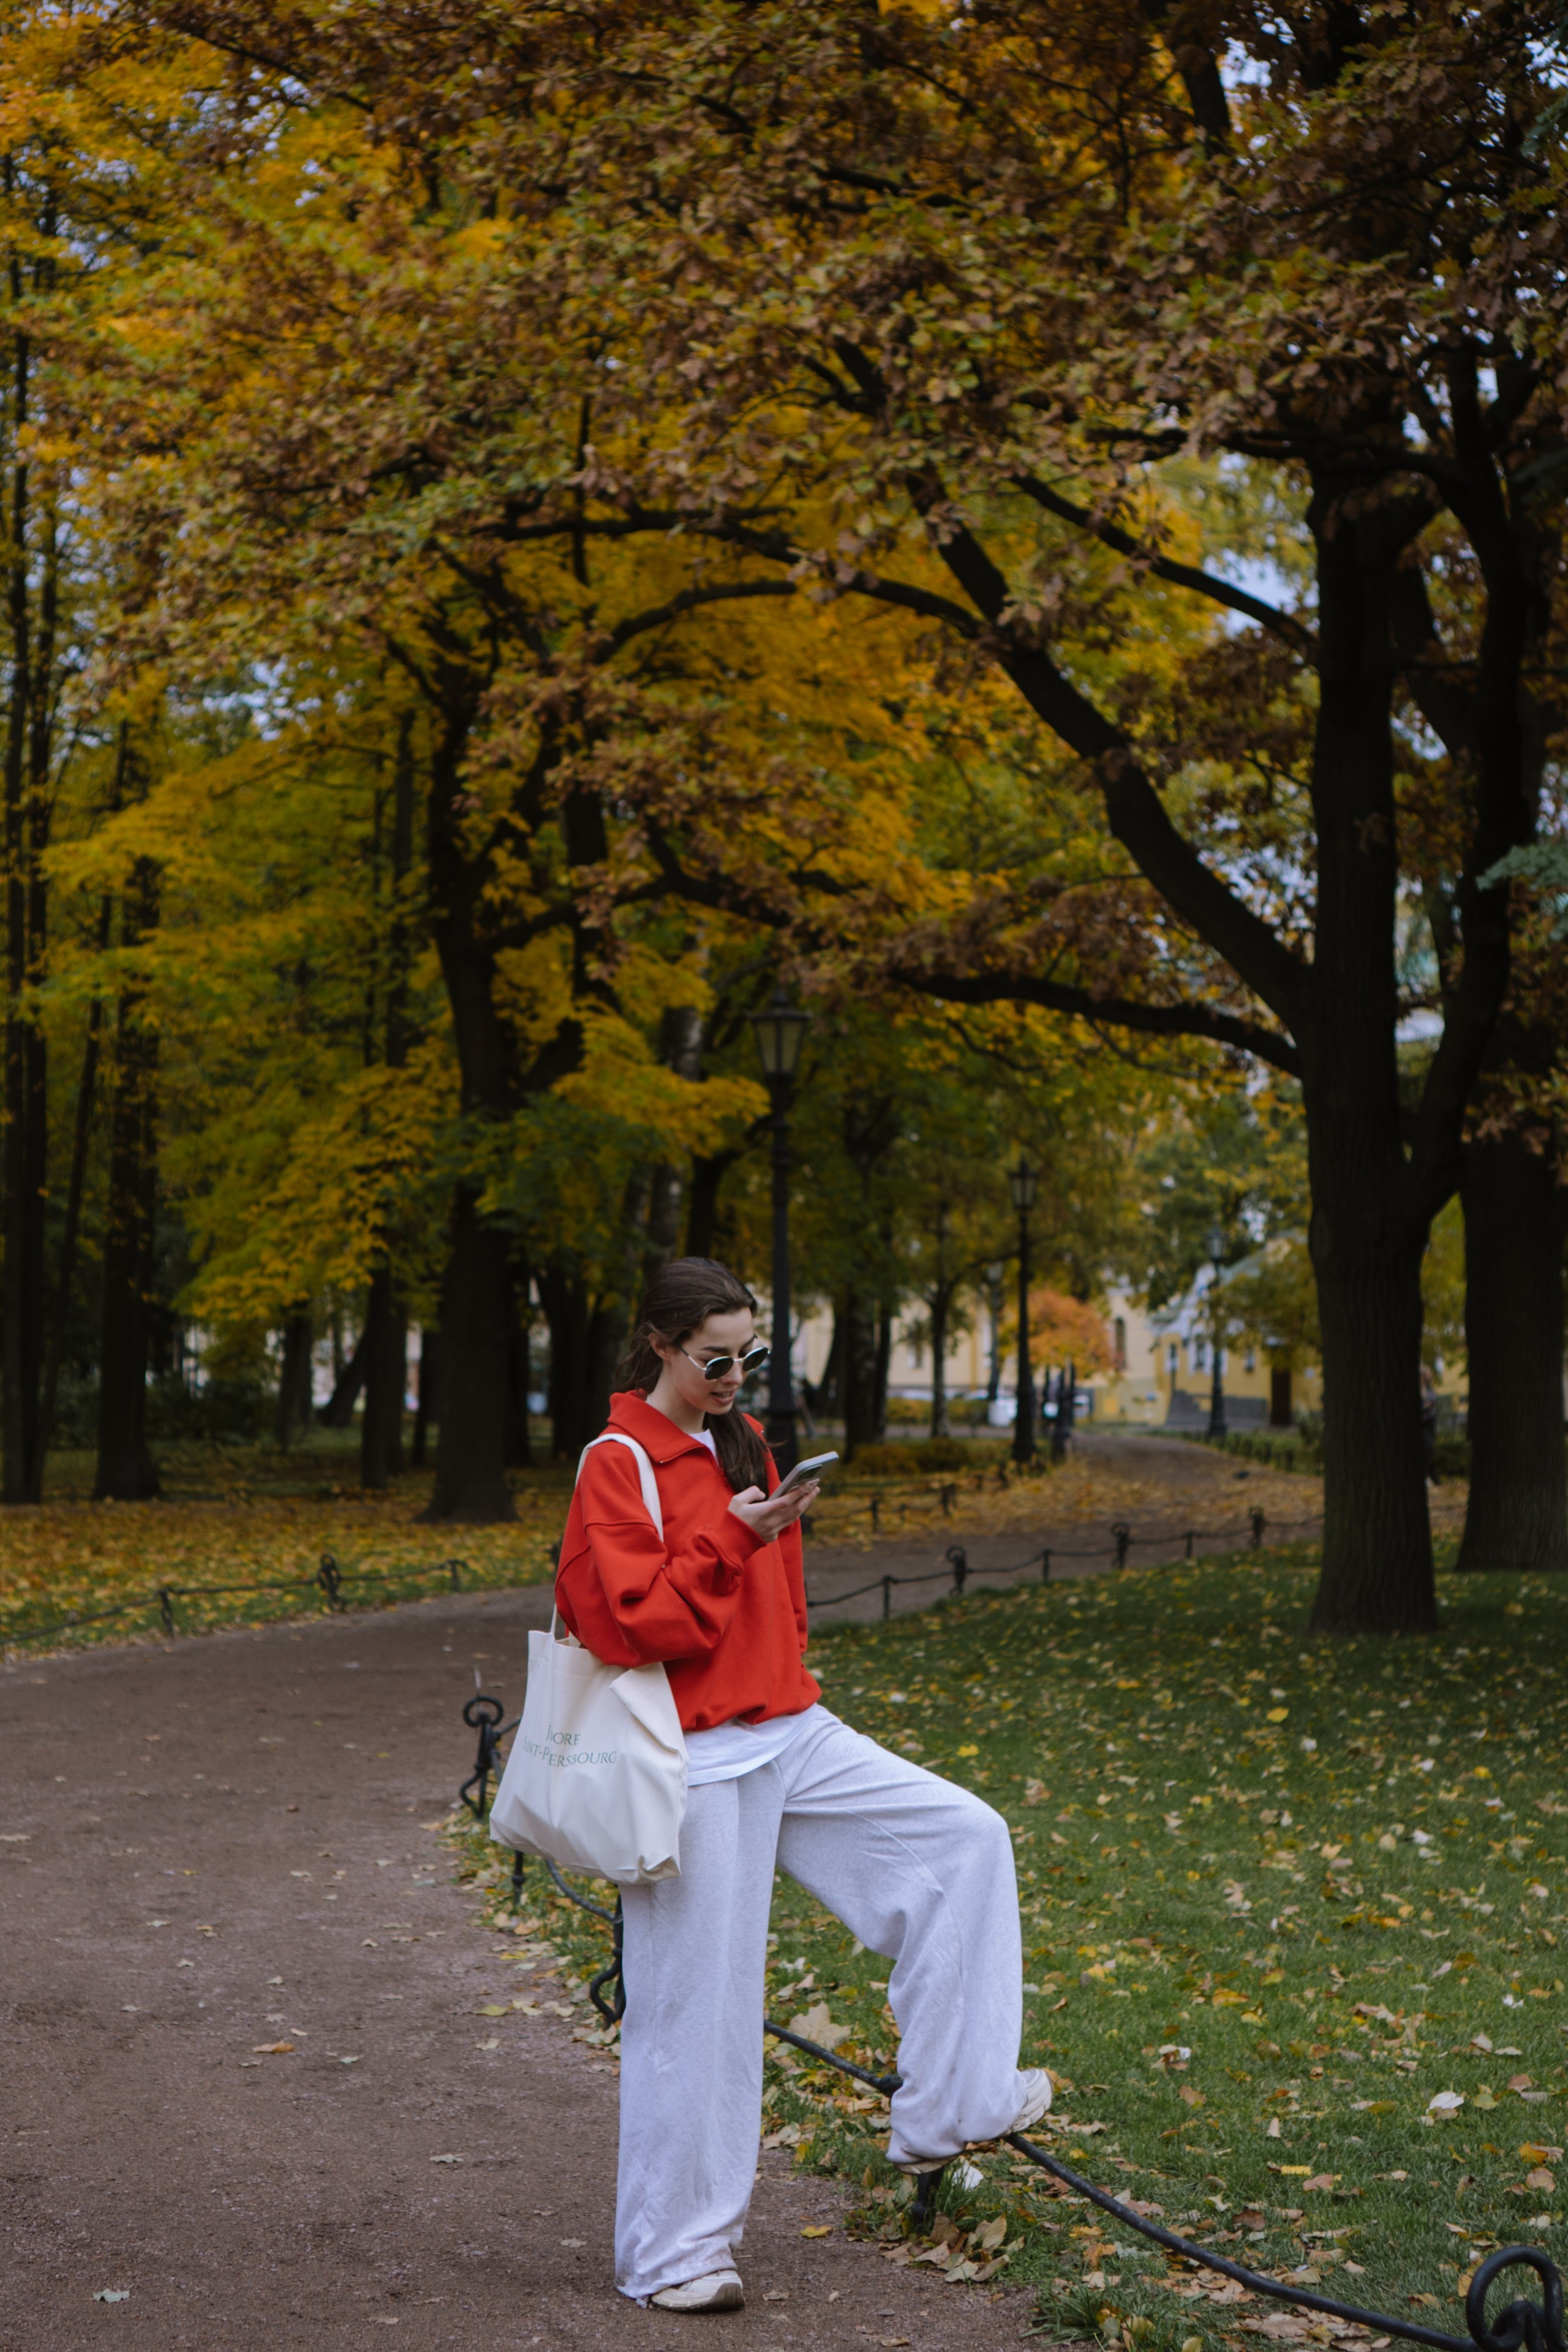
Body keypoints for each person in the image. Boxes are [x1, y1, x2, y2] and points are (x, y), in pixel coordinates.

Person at [555, 1256, 1049, 2314]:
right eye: (715, 1358)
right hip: (687, 1754)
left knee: (965, 1839)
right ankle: (675, 2255)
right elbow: (632, 1621)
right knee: (700, 2006)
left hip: (789, 1726)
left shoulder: (742, 1436)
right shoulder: (617, 1460)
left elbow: (776, 1602)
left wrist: (766, 1576)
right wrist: (737, 1534)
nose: (737, 1375)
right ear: (659, 1343)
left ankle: (951, 2107)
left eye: (752, 1355)